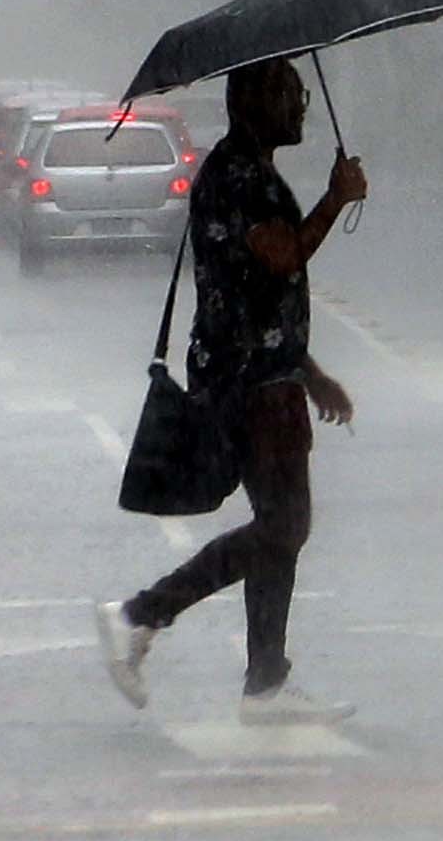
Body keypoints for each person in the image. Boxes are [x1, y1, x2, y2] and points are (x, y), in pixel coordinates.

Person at [96, 57, 367, 725]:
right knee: (284, 526)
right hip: (249, 386)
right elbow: (282, 257)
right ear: (249, 101)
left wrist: (309, 372)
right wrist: (336, 198)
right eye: (287, 94)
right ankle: (140, 615)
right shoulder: (239, 176)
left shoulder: (247, 169)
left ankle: (266, 683)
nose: (300, 106)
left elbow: (259, 295)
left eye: (302, 94)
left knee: (283, 528)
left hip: (262, 375)